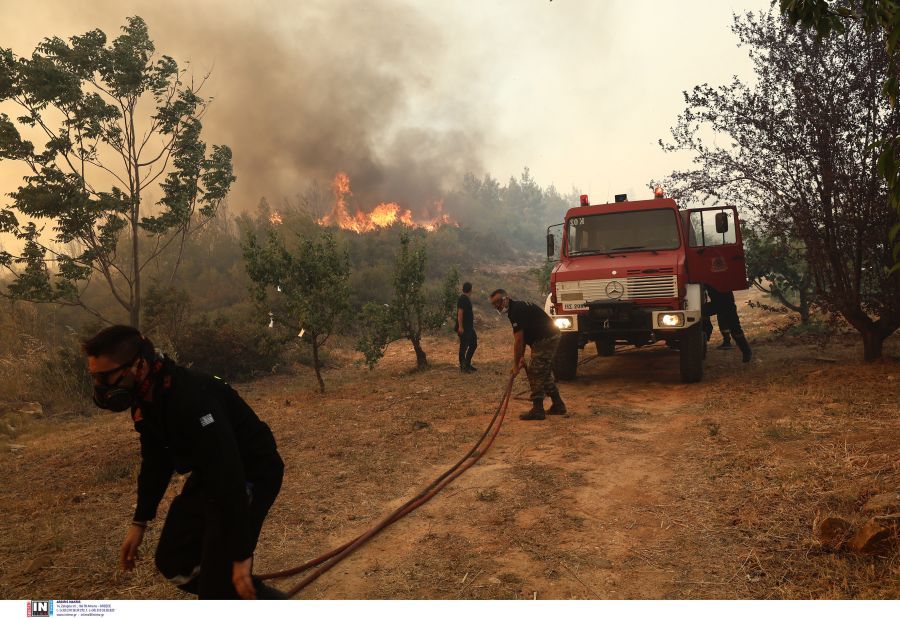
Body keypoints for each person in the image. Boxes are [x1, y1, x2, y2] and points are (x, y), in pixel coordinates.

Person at [84, 325, 286, 600]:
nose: (102, 388)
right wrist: (140, 520)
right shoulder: (147, 398)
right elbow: (156, 459)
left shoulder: (192, 400)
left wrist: (240, 556)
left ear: (139, 365)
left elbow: (230, 480)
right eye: (96, 378)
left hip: (250, 474)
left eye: (107, 378)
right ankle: (245, 593)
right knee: (172, 562)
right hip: (212, 473)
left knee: (217, 589)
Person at [490, 289, 568, 420]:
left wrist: (515, 365)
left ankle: (538, 409)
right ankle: (558, 405)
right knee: (543, 372)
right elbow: (524, 336)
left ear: (506, 298)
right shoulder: (515, 309)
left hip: (547, 338)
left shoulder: (516, 311)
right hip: (546, 338)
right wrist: (521, 358)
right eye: (494, 304)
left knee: (536, 371)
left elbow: (519, 340)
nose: (497, 305)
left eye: (498, 301)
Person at [704, 287, 752, 362]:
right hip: (718, 304)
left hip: (727, 305)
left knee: (735, 330)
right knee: (698, 312)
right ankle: (746, 351)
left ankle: (746, 352)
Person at [456, 281, 478, 373]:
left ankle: (467, 364)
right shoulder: (463, 299)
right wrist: (460, 327)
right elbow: (460, 313)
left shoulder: (465, 298)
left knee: (473, 344)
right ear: (470, 290)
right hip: (464, 328)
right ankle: (463, 367)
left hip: (469, 328)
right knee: (463, 347)